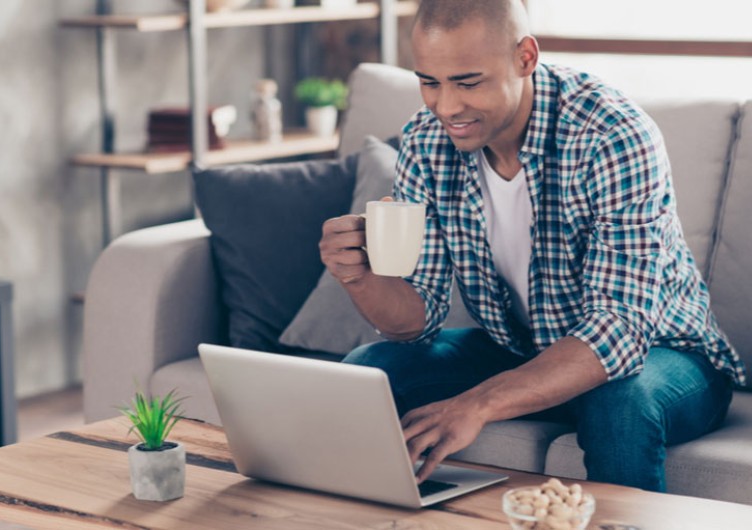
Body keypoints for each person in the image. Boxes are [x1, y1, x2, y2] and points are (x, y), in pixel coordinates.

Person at [318, 0, 746, 492]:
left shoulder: (611, 136)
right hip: (522, 350)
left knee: (619, 403)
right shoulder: (425, 141)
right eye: (429, 82)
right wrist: (358, 276)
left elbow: (620, 331)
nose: (446, 106)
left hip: (666, 355)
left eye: (468, 81)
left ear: (525, 57)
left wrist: (475, 405)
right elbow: (417, 320)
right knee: (369, 373)